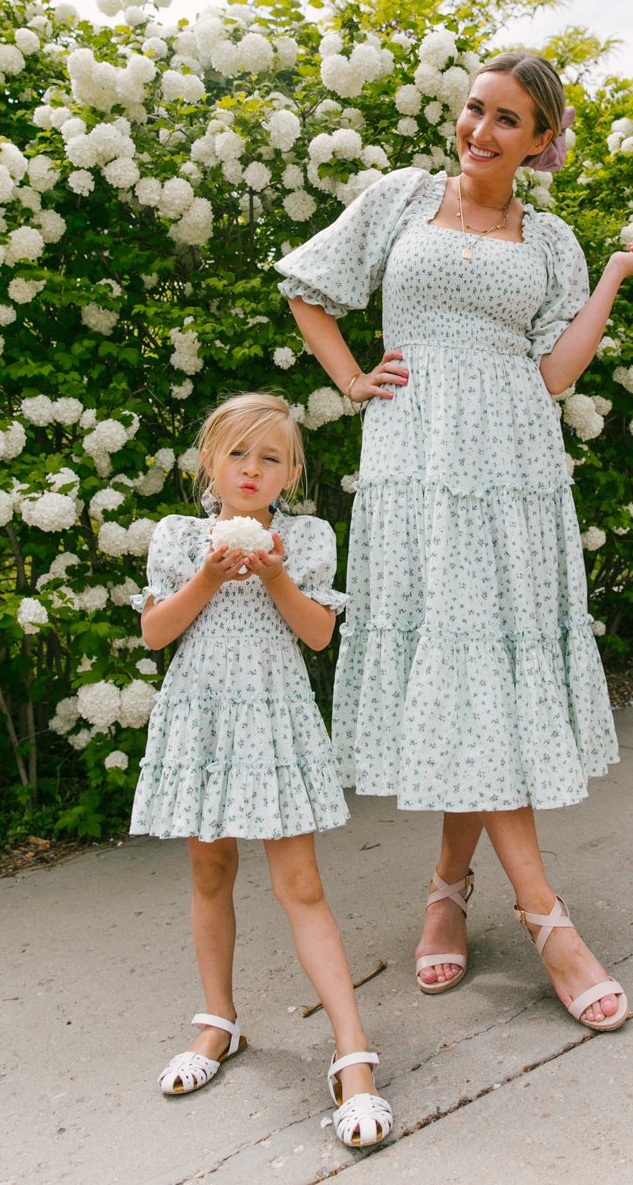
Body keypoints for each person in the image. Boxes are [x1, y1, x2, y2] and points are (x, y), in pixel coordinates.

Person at [277, 52, 633, 1032]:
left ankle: (449, 888)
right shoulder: (402, 199)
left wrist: (612, 276)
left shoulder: (556, 240)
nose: (479, 130)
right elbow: (306, 286)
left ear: (541, 140)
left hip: (516, 471)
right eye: (473, 109)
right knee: (466, 671)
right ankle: (547, 919)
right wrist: (353, 377)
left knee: (481, 672)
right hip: (418, 466)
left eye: (506, 119)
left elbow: (555, 374)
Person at [129, 392, 393, 1147]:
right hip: (202, 721)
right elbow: (155, 634)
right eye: (237, 453)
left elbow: (316, 636)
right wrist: (209, 578)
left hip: (274, 721)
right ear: (208, 462)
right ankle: (218, 1021)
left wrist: (274, 575)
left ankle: (352, 1055)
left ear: (293, 471)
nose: (252, 468)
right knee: (209, 873)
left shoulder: (306, 538)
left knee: (301, 885)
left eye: (269, 457)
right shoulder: (180, 535)